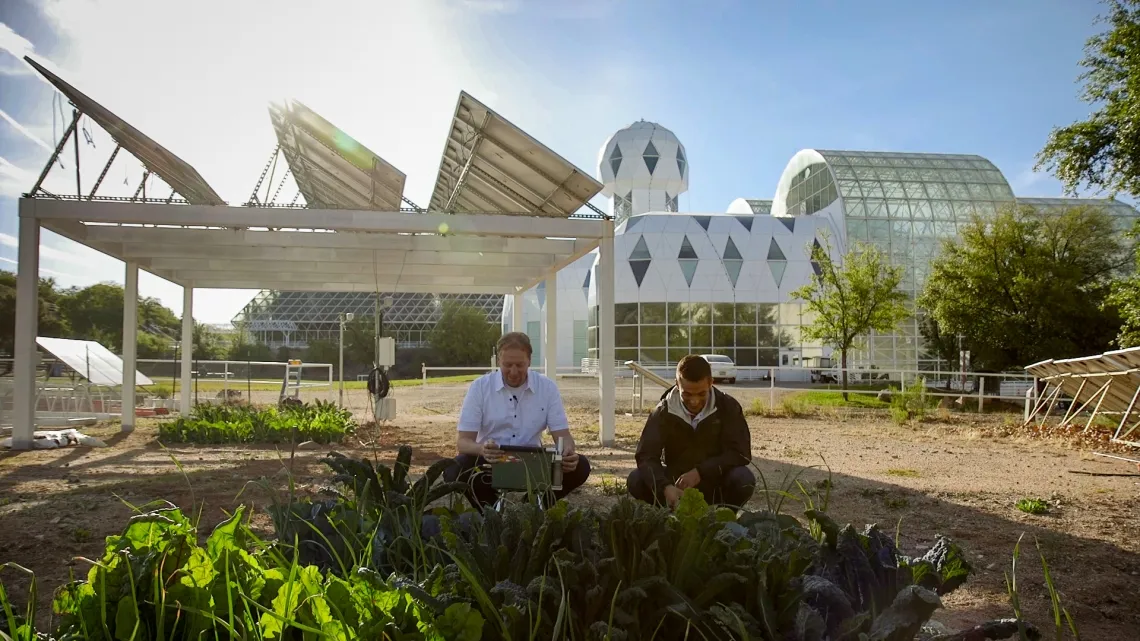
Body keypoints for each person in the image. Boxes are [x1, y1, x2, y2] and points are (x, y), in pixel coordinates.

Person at [444, 331, 590, 510]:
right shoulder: (480, 387)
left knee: (580, 466)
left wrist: (568, 452)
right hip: (492, 462)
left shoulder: (547, 388)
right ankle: (491, 510)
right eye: (507, 365)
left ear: (529, 361)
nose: (513, 372)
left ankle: (532, 507)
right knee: (453, 470)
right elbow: (463, 442)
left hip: (533, 463)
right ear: (499, 361)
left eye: (520, 365)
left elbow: (563, 435)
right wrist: (482, 450)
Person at [627, 354, 755, 509]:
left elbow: (740, 453)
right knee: (636, 479)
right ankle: (670, 512)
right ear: (677, 384)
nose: (694, 401)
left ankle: (723, 519)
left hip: (714, 481)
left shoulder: (728, 407)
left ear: (711, 383)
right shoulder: (663, 411)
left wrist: (701, 472)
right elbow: (646, 455)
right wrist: (664, 487)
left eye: (701, 394)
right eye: (686, 394)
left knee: (743, 478)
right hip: (677, 484)